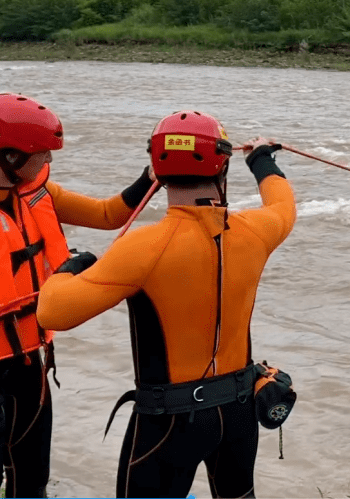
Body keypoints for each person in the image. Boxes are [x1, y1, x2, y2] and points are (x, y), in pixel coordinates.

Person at [38, 111, 297, 498]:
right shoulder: (256, 231)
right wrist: (261, 159)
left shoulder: (142, 248)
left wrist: (67, 268)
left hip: (168, 422)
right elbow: (283, 205)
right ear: (221, 163)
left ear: (157, 170)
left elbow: (52, 312)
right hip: (240, 409)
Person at [0, 92, 155, 498]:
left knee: (31, 477)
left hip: (29, 365)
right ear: (11, 157)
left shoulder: (38, 194)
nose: (49, 162)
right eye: (43, 154)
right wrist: (67, 273)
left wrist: (150, 176)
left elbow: (108, 214)